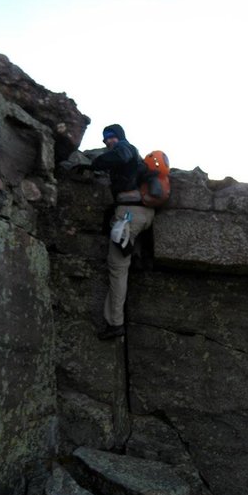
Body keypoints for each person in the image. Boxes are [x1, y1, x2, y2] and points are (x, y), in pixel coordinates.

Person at [91, 124, 155, 339]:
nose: (107, 141)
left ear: (118, 136)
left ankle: (115, 324)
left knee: (117, 268)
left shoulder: (125, 148)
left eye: (110, 137)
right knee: (126, 256)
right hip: (144, 215)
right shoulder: (135, 160)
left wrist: (96, 162)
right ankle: (135, 254)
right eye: (105, 139)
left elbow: (121, 154)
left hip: (128, 215)